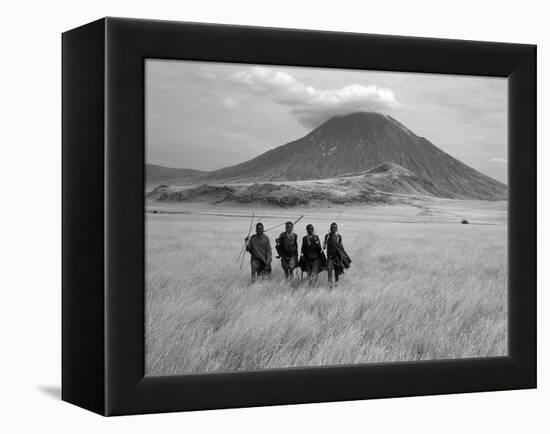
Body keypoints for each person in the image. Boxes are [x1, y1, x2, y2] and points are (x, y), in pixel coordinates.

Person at [323, 222, 352, 286]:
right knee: (329, 269)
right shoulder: (327, 236)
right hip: (330, 256)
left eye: (335, 227)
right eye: (332, 227)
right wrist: (324, 244)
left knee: (337, 271)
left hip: (337, 256)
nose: (333, 229)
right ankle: (330, 284)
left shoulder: (339, 236)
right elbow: (324, 246)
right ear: (330, 228)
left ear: (337, 229)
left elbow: (341, 246)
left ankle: (336, 283)